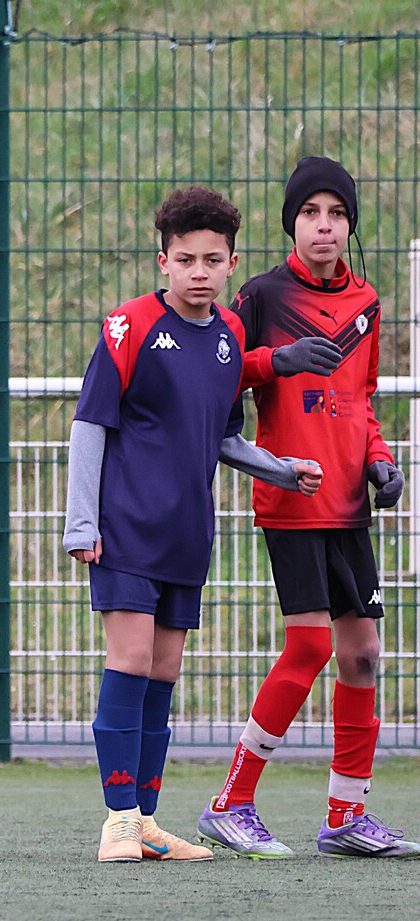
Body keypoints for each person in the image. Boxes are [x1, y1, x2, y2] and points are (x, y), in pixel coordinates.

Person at [64, 185, 323, 863]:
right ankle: (118, 820)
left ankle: (147, 821)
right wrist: (81, 524)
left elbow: (224, 437)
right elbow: (90, 424)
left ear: (232, 263)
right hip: (125, 528)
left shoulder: (231, 334)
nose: (199, 272)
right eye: (185, 260)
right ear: (163, 262)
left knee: (164, 671)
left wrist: (282, 469)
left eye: (212, 260)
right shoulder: (128, 327)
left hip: (188, 534)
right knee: (129, 661)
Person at [197, 157, 420, 859]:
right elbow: (220, 370)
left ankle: (346, 816)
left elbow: (362, 399)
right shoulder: (260, 296)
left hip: (350, 501)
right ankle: (230, 802)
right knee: (311, 646)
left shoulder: (367, 302)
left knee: (363, 653)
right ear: (291, 223)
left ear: (350, 225)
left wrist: (381, 459)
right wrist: (278, 361)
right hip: (292, 494)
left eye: (337, 214)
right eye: (310, 213)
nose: (324, 226)